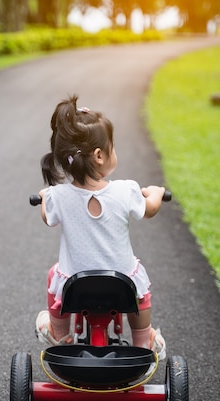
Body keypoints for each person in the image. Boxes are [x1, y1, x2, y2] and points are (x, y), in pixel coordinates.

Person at [34, 94, 167, 359]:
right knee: (139, 285)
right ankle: (143, 341)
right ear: (99, 155)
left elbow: (47, 217)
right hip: (121, 283)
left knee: (53, 274)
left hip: (75, 284)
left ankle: (59, 334)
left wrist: (45, 197)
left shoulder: (57, 196)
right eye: (112, 147)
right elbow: (150, 209)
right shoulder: (126, 189)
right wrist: (156, 192)